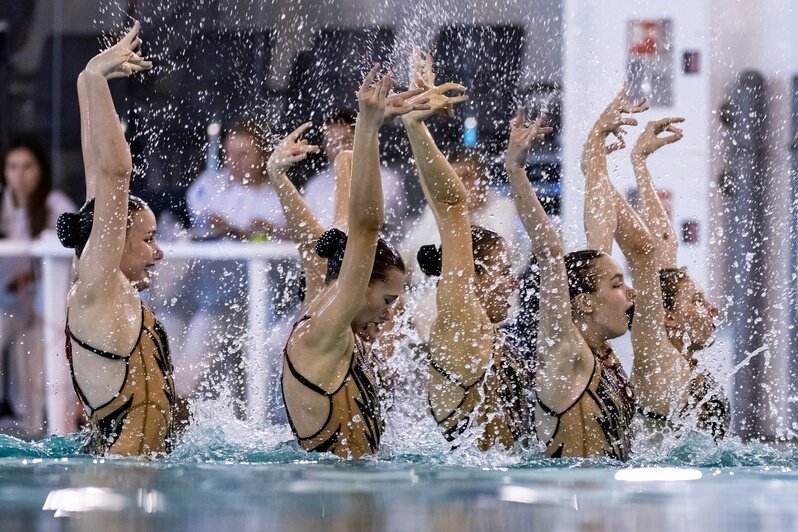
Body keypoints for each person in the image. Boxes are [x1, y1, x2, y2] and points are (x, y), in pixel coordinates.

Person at [281, 64, 424, 458]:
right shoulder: (328, 325)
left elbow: (319, 246)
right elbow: (364, 226)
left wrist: (279, 176)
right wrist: (368, 128)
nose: (390, 315)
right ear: (360, 284)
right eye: (388, 301)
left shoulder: (321, 310)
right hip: (334, 509)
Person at [57, 22, 176, 456]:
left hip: (134, 477)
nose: (158, 252)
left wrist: (89, 80)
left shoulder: (107, 285)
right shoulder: (97, 283)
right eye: (148, 239)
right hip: (116, 483)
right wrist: (93, 80)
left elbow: (97, 181)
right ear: (116, 240)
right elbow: (113, 173)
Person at [404, 50, 531, 451]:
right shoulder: (461, 323)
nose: (513, 281)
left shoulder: (492, 338)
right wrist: (415, 124)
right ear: (469, 278)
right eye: (499, 271)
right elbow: (450, 209)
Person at [506, 107, 638, 460]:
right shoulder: (565, 353)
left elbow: (601, 234)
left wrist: (595, 156)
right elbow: (550, 252)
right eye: (616, 285)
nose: (630, 292)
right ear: (584, 302)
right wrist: (516, 170)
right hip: (568, 506)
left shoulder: (602, 354)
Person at [183, 118, 296, 412]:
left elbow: (296, 243)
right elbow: (201, 225)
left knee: (259, 378)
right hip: (214, 303)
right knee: (192, 373)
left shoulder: (279, 195)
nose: (234, 162)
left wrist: (265, 231)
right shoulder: (209, 185)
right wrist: (240, 231)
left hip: (264, 308)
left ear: (263, 156)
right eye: (230, 153)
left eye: (244, 154)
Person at [628, 115, 728, 439]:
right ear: (667, 317)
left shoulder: (686, 362)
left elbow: (665, 245)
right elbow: (647, 253)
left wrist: (640, 165)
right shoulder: (656, 356)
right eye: (697, 301)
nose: (712, 310)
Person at [0, 137, 76, 437]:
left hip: (48, 310)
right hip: (8, 305)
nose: (19, 175)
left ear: (41, 170)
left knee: (30, 365)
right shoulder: (2, 207)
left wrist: (30, 277)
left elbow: (71, 253)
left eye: (27, 167)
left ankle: (36, 430)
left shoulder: (55, 204)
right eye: (12, 167)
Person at [301, 109, 407, 240]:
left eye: (345, 141)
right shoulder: (315, 185)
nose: (339, 149)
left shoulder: (386, 180)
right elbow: (306, 232)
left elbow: (368, 224)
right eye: (332, 143)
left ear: (359, 141)